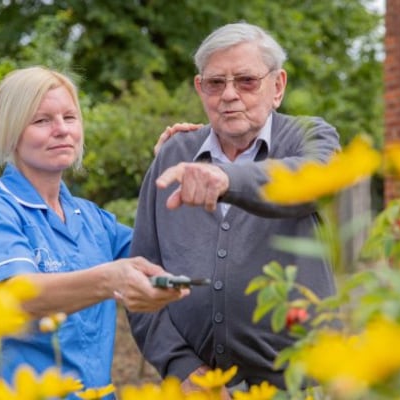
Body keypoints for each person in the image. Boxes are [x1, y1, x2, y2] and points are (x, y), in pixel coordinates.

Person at [127, 22, 341, 397]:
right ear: (200, 89)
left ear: (277, 86)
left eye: (246, 81)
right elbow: (142, 278)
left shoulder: (307, 136)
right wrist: (182, 367)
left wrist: (226, 179)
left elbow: (315, 180)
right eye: (215, 83)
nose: (229, 95)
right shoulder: (173, 156)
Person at [0, 66, 188, 398]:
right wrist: (110, 279)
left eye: (70, 117)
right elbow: (18, 295)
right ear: (12, 132)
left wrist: (169, 170)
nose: (62, 130)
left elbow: (167, 254)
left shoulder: (94, 219)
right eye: (42, 121)